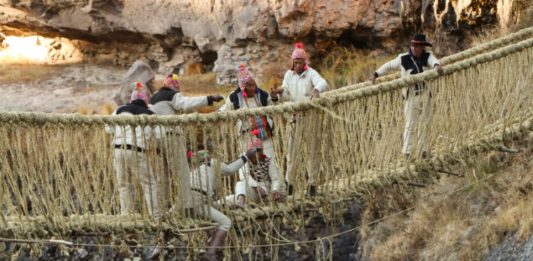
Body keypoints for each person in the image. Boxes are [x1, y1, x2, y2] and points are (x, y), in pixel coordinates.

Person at [149, 74, 224, 212]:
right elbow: (185, 103)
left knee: (163, 177)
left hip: (157, 139)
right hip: (171, 135)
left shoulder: (153, 99)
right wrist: (208, 99)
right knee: (182, 173)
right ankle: (187, 207)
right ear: (173, 86)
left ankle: (160, 209)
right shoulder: (170, 94)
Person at [370, 34, 444, 160]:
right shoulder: (403, 58)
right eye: (413, 45)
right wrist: (376, 74)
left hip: (425, 95)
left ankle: (423, 151)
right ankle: (407, 153)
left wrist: (437, 66)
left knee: (424, 124)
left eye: (417, 46)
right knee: (410, 124)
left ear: (422, 47)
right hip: (411, 96)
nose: (414, 48)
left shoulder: (427, 56)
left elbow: (434, 62)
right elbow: (388, 65)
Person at [269, 42, 328, 196]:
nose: (297, 65)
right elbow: (287, 94)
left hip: (310, 119)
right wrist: (279, 93)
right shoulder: (289, 75)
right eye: (295, 62)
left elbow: (323, 82)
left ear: (304, 62)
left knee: (312, 151)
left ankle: (312, 184)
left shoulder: (311, 74)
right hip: (295, 119)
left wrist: (316, 90)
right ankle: (290, 184)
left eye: (300, 62)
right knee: (292, 153)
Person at [189, 146, 256, 261]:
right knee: (226, 222)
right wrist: (246, 156)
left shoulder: (192, 171)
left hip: (188, 201)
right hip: (199, 202)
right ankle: (210, 252)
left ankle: (158, 248)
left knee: (218, 205)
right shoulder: (213, 163)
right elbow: (230, 169)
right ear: (208, 158)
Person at [106, 82, 160, 218]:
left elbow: (108, 129)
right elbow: (159, 134)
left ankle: (126, 214)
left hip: (118, 148)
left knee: (123, 183)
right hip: (137, 149)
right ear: (145, 101)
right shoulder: (150, 114)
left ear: (131, 100)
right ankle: (155, 216)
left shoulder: (119, 110)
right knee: (149, 184)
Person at [219, 64, 278, 163]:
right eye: (249, 86)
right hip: (245, 136)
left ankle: (275, 179)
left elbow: (274, 107)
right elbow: (225, 109)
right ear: (242, 87)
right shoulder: (234, 97)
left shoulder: (262, 94)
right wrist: (218, 113)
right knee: (246, 165)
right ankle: (247, 179)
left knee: (270, 161)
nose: (253, 88)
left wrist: (275, 98)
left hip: (264, 133)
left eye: (253, 84)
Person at [224, 139, 286, 208]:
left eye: (259, 150)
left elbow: (275, 179)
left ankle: (247, 203)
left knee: (233, 197)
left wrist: (274, 190)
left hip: (266, 192)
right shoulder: (244, 160)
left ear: (262, 151)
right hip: (251, 190)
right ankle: (241, 202)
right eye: (253, 151)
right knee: (240, 185)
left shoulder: (269, 160)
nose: (256, 154)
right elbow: (244, 176)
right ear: (249, 153)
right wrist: (256, 187)